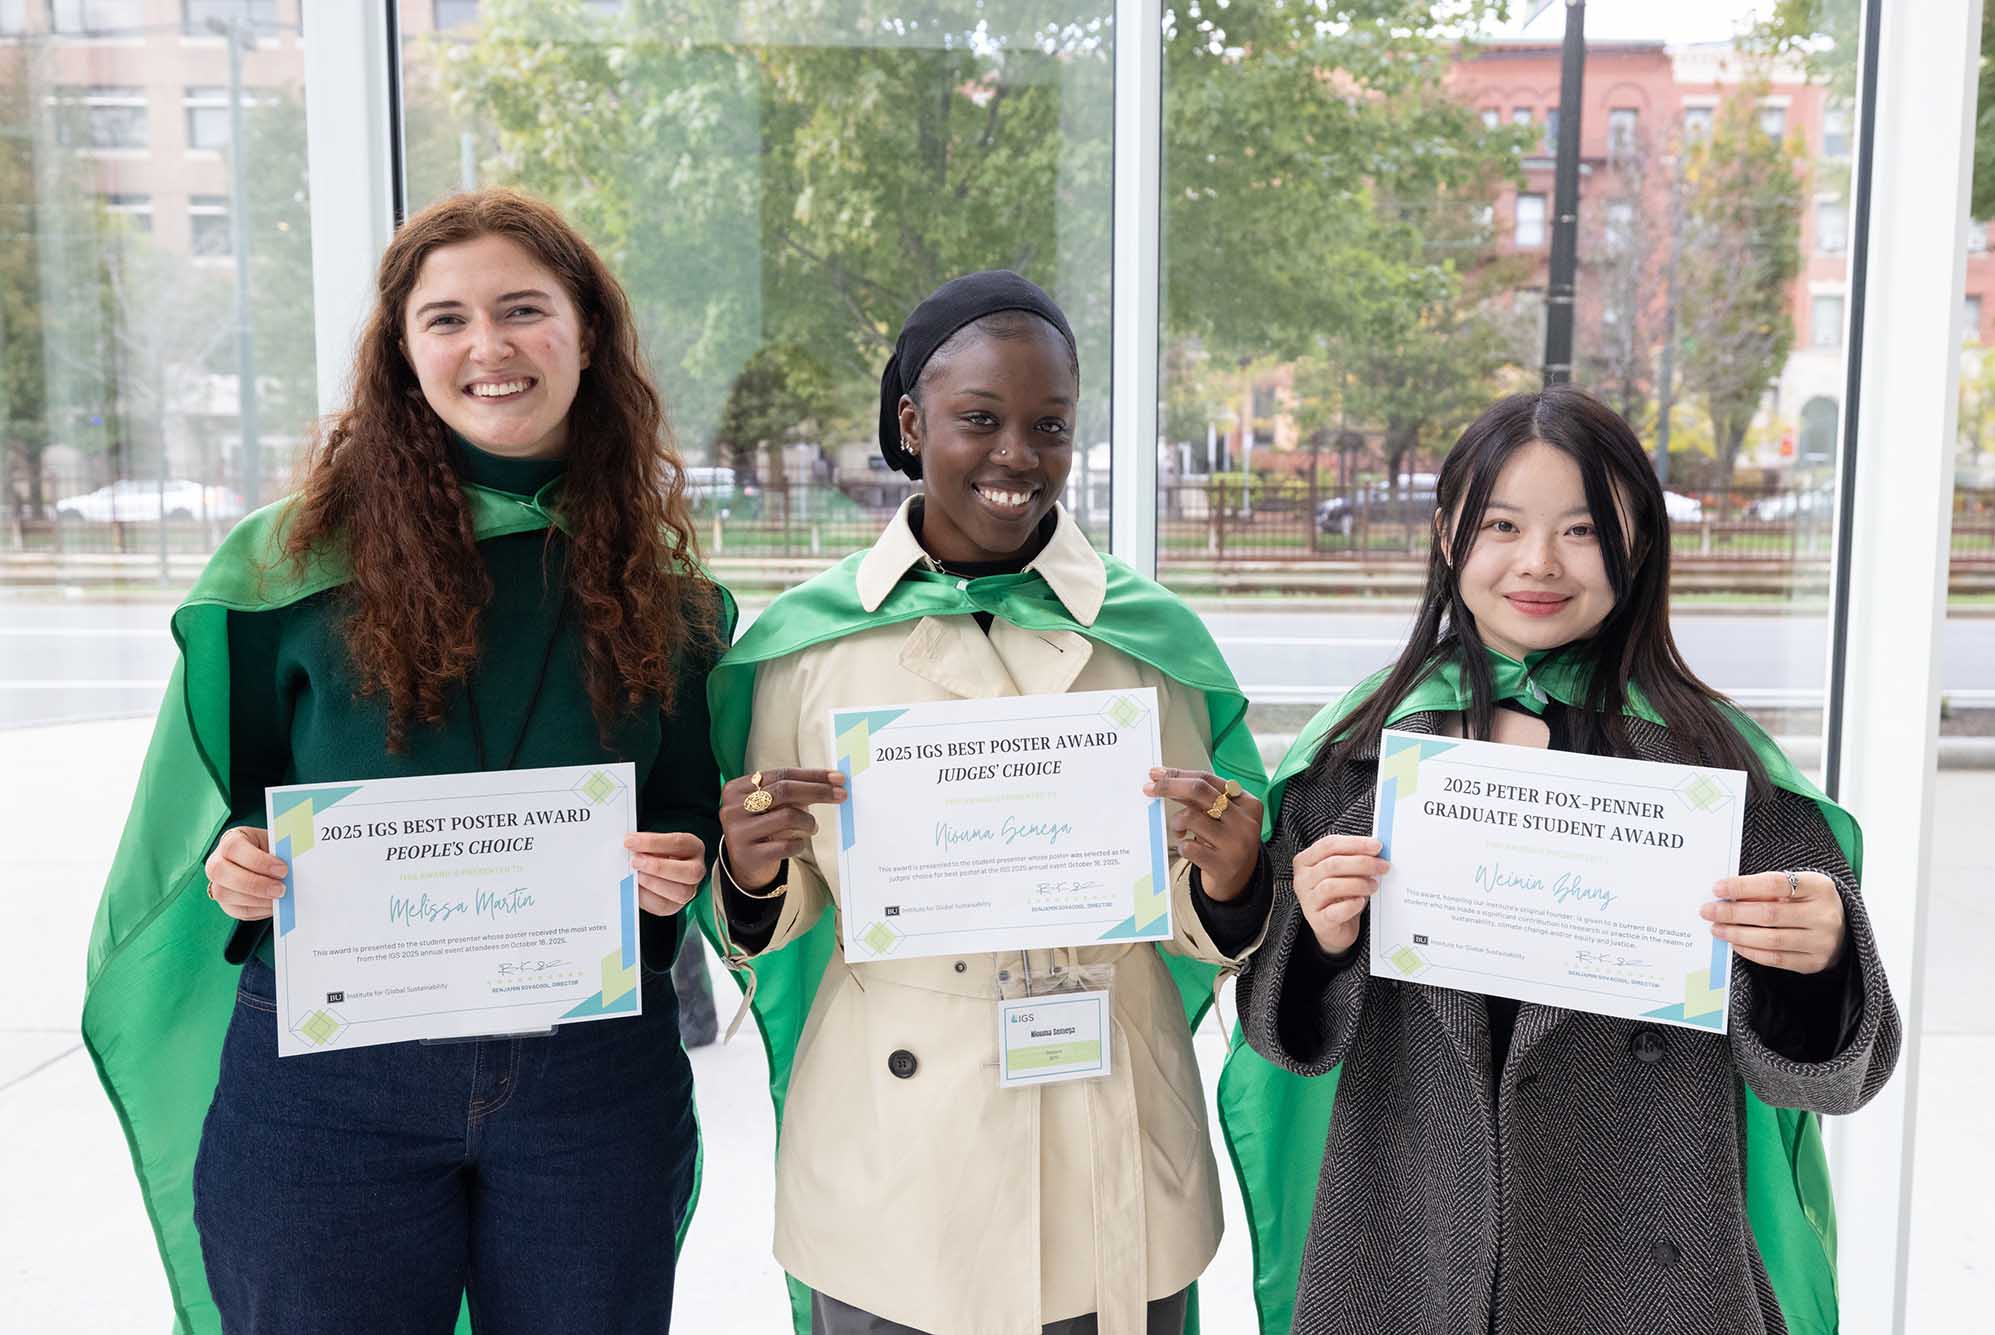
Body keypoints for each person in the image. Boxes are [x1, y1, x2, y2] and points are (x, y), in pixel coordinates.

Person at [81, 188, 731, 1335]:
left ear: (586, 334)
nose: (489, 346)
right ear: (401, 352)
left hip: (587, 1077)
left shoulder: (670, 596)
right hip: (333, 1087)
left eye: (524, 309)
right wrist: (237, 870)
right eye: (446, 319)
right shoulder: (282, 574)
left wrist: (681, 864)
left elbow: (687, 814)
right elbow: (230, 819)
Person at [1235, 385, 1901, 1335]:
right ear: (1444, 533)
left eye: (1584, 530)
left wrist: (1823, 957)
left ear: (1639, 548)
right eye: (1502, 523)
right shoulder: (1355, 759)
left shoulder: (1721, 772)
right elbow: (1276, 1045)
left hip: (1655, 1262)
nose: (1538, 562)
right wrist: (1321, 936)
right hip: (1409, 1250)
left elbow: (1834, 1081)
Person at [695, 270, 1271, 1335]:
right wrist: (750, 868)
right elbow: (770, 925)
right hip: (892, 1156)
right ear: (910, 424)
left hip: (1104, 1114)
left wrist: (1231, 877)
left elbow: (1203, 912)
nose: (1017, 454)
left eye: (1047, 425)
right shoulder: (807, 648)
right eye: (978, 420)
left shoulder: (1148, 641)